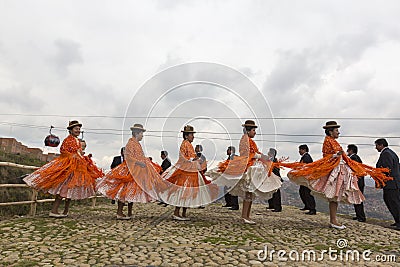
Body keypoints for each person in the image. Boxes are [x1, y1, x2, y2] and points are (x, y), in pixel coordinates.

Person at [276, 121, 391, 230]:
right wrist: (336, 155)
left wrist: (339, 156)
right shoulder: (328, 141)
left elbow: (337, 156)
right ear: (331, 131)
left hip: (338, 170)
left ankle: (333, 220)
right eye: (336, 130)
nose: (338, 132)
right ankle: (333, 220)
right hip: (335, 171)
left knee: (335, 197)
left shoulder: (332, 141)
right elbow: (327, 156)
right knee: (334, 196)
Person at [207, 120, 282, 224]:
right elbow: (246, 154)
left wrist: (262, 157)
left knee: (250, 193)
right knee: (248, 193)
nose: (255, 132)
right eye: (253, 130)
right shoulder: (245, 140)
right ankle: (244, 216)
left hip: (251, 166)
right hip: (248, 167)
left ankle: (246, 215)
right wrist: (261, 156)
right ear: (248, 131)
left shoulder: (248, 140)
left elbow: (254, 153)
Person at [23, 120, 103, 218]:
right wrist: (75, 157)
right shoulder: (69, 139)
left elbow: (76, 153)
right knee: (63, 189)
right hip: (68, 167)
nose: (78, 130)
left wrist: (81, 158)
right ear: (71, 130)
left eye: (79, 129)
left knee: (66, 189)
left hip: (73, 168)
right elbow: (64, 151)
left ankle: (59, 210)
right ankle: (54, 210)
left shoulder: (76, 140)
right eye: (76, 129)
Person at [97, 124, 166, 220]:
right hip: (129, 170)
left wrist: (145, 162)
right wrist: (139, 162)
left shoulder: (137, 143)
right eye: (142, 133)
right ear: (137, 133)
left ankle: (129, 212)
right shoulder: (130, 143)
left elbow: (139, 156)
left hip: (136, 170)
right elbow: (129, 157)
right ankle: (119, 212)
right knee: (124, 191)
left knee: (131, 191)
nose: (142, 135)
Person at [160, 125, 216, 221]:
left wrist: (197, 161)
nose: (193, 136)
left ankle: (183, 213)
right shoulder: (184, 144)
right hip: (185, 171)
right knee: (182, 192)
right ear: (186, 136)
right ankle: (177, 212)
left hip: (191, 171)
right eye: (191, 135)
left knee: (188, 192)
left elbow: (192, 157)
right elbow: (183, 158)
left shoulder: (189, 145)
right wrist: (193, 159)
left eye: (193, 135)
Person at [375, 138, 400, 230]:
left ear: (381, 145)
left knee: (393, 202)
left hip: (390, 183)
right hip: (394, 183)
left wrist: (378, 176)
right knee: (393, 202)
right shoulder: (391, 153)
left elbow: (386, 169)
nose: (376, 148)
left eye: (376, 145)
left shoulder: (386, 154)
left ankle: (399, 223)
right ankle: (397, 221)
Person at [347, 144, 366, 222]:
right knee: (356, 199)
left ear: (351, 150)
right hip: (358, 181)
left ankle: (361, 217)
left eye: (348, 150)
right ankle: (359, 215)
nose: (347, 151)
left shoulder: (354, 158)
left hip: (357, 182)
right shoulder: (355, 157)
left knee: (357, 199)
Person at [298, 144, 316, 215]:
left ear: (304, 150)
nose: (299, 151)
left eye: (300, 150)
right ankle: (307, 206)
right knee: (302, 192)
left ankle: (312, 209)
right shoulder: (305, 157)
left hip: (306, 179)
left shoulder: (307, 157)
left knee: (308, 193)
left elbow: (305, 168)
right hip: (304, 179)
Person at [222, 146, 239, 210]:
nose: (227, 151)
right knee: (226, 189)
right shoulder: (230, 157)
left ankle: (235, 205)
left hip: (233, 177)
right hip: (228, 177)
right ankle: (229, 203)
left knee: (233, 190)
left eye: (228, 150)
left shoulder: (234, 157)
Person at [267, 148, 283, 212]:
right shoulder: (271, 160)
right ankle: (272, 205)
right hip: (271, 179)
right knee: (271, 192)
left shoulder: (274, 161)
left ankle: (277, 207)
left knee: (276, 193)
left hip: (275, 179)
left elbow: (275, 170)